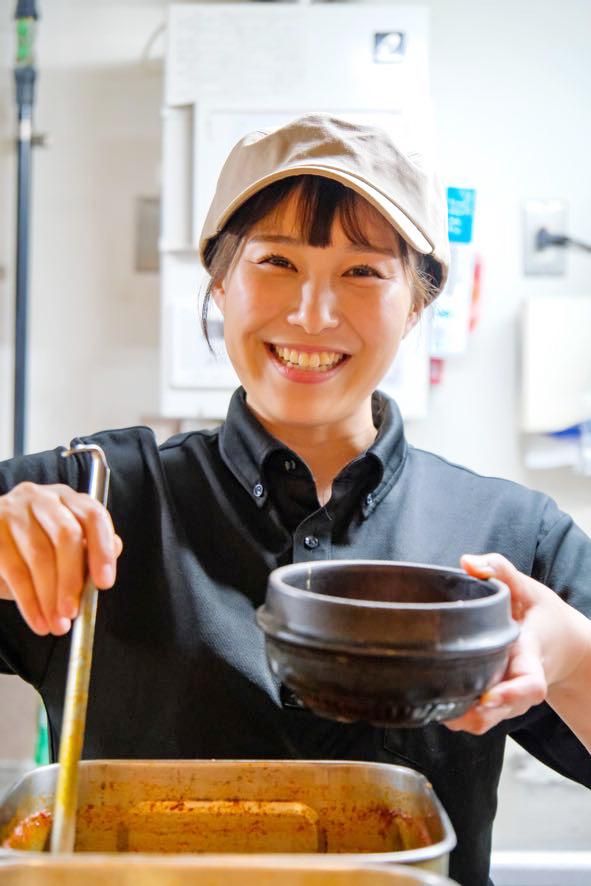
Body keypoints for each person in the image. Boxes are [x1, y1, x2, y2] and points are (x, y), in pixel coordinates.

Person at [0, 114, 590, 885]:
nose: (313, 313)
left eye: (363, 272)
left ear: (416, 303)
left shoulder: (510, 534)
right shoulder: (94, 497)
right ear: (220, 281)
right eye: (277, 261)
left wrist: (570, 655)